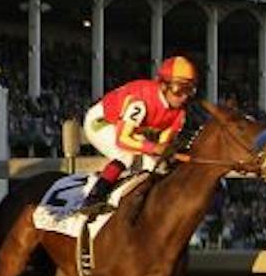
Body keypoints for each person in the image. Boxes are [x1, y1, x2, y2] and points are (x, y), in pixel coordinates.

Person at [77, 55, 197, 217]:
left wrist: (163, 152)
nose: (184, 96)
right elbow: (123, 140)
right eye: (178, 89)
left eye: (189, 90)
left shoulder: (179, 114)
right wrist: (155, 147)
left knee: (152, 165)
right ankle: (93, 198)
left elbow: (161, 148)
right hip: (101, 121)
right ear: (163, 85)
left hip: (131, 128)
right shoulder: (140, 101)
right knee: (125, 156)